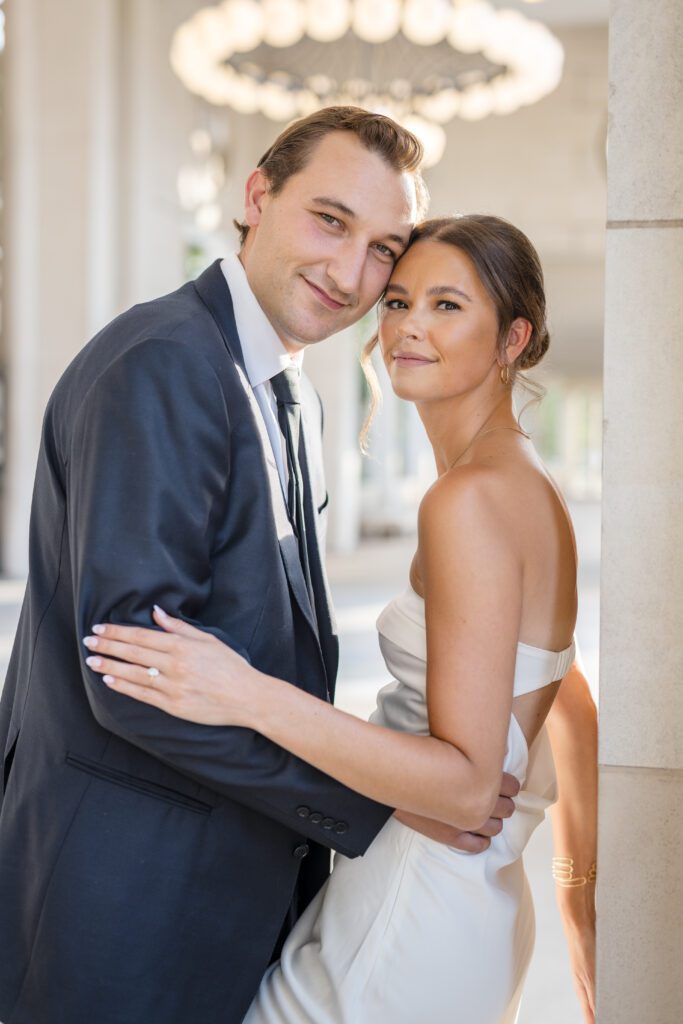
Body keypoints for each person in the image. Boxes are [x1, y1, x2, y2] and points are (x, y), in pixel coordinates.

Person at [0, 109, 521, 1024]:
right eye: (329, 220)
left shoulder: (287, 393)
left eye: (380, 249)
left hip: (225, 903)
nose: (348, 272)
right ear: (257, 196)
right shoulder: (165, 364)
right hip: (123, 907)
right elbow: (128, 678)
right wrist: (383, 798)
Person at [85, 215, 598, 1023]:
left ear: (513, 339)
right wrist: (578, 903)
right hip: (451, 903)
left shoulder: (468, 501)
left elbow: (467, 790)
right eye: (397, 302)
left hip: (412, 915)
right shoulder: (518, 483)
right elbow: (564, 692)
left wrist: (244, 693)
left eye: (446, 306)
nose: (409, 328)